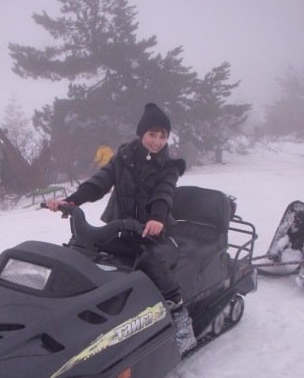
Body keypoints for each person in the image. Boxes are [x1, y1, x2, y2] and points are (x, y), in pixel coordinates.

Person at [47, 103, 196, 354]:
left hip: (153, 233)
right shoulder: (123, 158)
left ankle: (180, 318)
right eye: (152, 134)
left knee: (151, 259)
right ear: (141, 133)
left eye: (163, 136)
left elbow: (164, 192)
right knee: (84, 251)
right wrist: (71, 201)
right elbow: (99, 182)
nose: (157, 141)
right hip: (120, 228)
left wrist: (157, 218)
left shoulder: (169, 166)